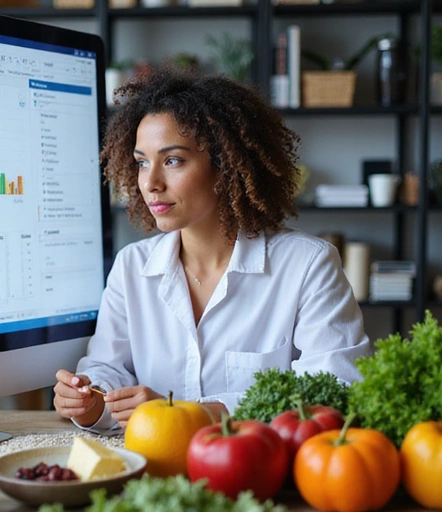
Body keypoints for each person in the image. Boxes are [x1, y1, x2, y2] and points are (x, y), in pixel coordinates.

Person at [53, 67, 371, 434]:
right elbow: (107, 368)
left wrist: (194, 414)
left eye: (172, 160)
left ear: (225, 166)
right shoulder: (131, 266)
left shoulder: (307, 264)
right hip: (154, 469)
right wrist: (91, 401)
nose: (151, 183)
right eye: (142, 162)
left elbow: (337, 389)